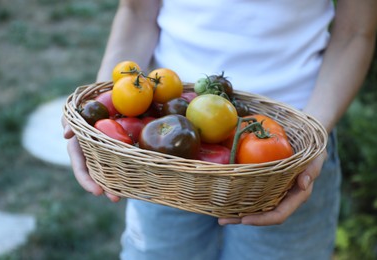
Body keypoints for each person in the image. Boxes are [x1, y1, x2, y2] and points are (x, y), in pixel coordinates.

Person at [62, 0, 377, 259]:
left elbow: (356, 31)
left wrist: (313, 135)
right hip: (160, 149)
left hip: (287, 151)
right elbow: (137, 11)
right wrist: (99, 117)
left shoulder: (294, 147)